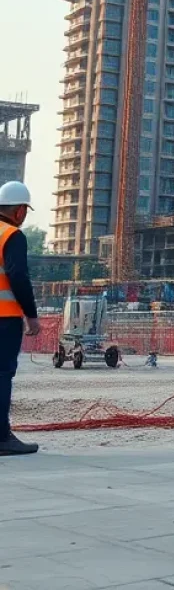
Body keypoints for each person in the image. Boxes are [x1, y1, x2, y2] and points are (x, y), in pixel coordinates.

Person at [0, 180, 40, 455]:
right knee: (2, 376)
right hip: (4, 319)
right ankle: (2, 438)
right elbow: (18, 277)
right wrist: (32, 316)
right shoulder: (11, 235)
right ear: (18, 211)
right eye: (25, 210)